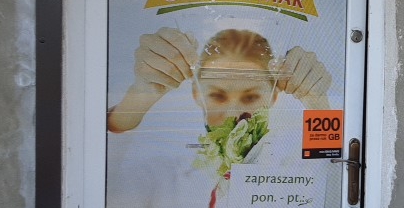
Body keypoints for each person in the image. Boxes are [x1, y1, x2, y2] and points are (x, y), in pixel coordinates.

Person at [107, 27, 332, 133]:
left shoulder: (292, 163)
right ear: (197, 94)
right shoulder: (165, 171)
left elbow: (330, 174)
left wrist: (317, 103)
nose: (233, 115)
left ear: (273, 97)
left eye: (251, 97)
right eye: (217, 96)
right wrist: (143, 93)